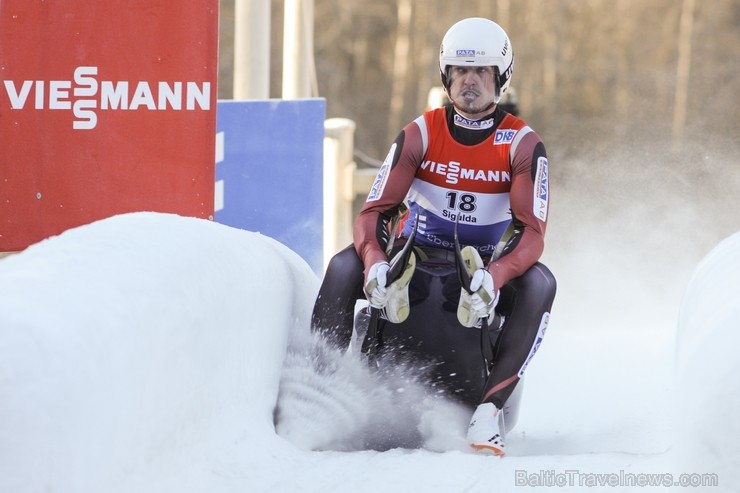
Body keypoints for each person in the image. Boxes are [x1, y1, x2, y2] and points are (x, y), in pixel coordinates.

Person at [311, 17, 556, 457]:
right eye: (461, 71)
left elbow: (533, 233)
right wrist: (375, 263)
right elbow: (375, 211)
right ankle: (316, 401)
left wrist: (496, 277)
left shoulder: (522, 144)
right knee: (343, 264)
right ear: (446, 76)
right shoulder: (419, 133)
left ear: (501, 78)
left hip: (476, 275)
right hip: (414, 263)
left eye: (482, 71)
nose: (470, 81)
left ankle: (487, 412)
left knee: (541, 281)